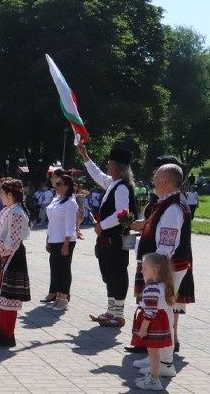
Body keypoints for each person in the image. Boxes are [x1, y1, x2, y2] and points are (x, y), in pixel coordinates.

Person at [128, 164, 193, 377]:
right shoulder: (167, 203)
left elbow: (166, 245)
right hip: (163, 266)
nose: (153, 179)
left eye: (156, 176)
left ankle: (164, 362)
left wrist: (154, 273)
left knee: (162, 311)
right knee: (161, 310)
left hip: (167, 267)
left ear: (166, 181)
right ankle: (156, 356)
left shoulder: (173, 207)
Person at [78, 143, 138, 327]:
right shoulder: (114, 183)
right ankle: (111, 311)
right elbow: (97, 175)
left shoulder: (121, 187)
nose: (107, 166)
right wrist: (85, 156)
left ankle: (118, 314)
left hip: (115, 239)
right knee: (109, 274)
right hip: (108, 239)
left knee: (117, 274)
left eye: (110, 163)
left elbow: (123, 213)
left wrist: (101, 226)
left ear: (118, 167)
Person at [0, 178, 31, 347]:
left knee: (10, 297)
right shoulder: (9, 210)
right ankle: (2, 327)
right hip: (5, 256)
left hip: (12, 257)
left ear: (10, 194)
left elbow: (12, 243)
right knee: (2, 295)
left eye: (1, 193)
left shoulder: (16, 213)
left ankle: (8, 334)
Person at [130, 253, 175, 391]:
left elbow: (150, 312)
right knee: (154, 355)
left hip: (153, 325)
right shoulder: (162, 285)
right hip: (160, 322)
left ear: (155, 270)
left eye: (144, 268)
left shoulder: (152, 289)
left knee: (154, 356)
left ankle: (154, 381)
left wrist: (143, 328)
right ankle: (152, 376)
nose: (141, 271)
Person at [43, 174, 78, 311]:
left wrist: (66, 243)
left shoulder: (70, 202)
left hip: (65, 240)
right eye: (56, 184)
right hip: (54, 239)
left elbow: (71, 225)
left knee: (64, 269)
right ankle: (57, 296)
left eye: (59, 184)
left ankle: (64, 298)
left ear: (67, 186)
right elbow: (51, 222)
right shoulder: (56, 200)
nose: (56, 187)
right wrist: (48, 238)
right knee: (56, 268)